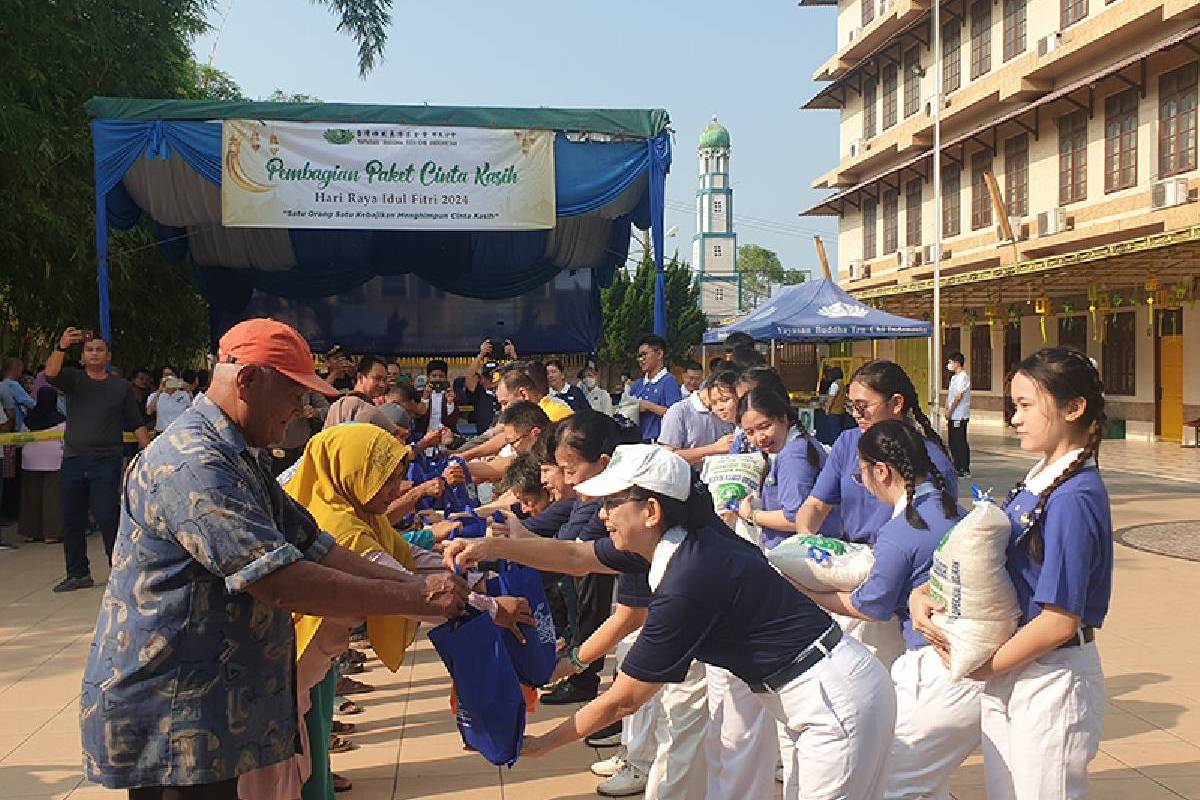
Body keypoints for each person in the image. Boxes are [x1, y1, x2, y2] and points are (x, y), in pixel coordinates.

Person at [79, 318, 470, 800]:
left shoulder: (239, 455)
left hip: (211, 707)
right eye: (292, 393)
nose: (301, 408)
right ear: (247, 381)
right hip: (172, 712)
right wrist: (411, 594)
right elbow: (278, 580)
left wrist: (414, 588)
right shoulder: (194, 463)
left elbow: (316, 545)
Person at [445, 445, 897, 800]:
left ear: (651, 511)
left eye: (613, 502)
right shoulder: (677, 538)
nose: (602, 514)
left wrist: (544, 744)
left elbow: (625, 699)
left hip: (831, 701)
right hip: (819, 692)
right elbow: (576, 556)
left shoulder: (689, 576)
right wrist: (493, 549)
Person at [241, 423, 530, 800]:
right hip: (286, 671)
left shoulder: (360, 513)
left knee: (298, 765)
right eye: (386, 480)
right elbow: (404, 589)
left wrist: (475, 578)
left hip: (305, 672)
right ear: (353, 473)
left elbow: (408, 559)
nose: (399, 491)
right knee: (275, 776)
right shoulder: (338, 527)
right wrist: (490, 606)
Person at [911, 347, 1112, 800]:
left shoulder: (1073, 498)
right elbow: (990, 560)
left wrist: (983, 667)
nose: (1014, 419)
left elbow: (1061, 618)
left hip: (1049, 677)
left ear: (1074, 407)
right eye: (1013, 406)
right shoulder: (1043, 478)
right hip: (1015, 668)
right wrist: (927, 590)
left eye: (1025, 406)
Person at [799, 419, 978, 800]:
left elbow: (870, 606)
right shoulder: (955, 512)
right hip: (969, 664)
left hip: (936, 671)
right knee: (926, 782)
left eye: (861, 475)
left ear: (881, 471)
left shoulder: (901, 532)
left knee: (895, 783)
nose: (862, 485)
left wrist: (806, 589)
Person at [794, 360, 957, 545]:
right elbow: (815, 504)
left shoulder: (934, 461)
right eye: (851, 406)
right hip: (852, 559)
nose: (855, 414)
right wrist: (807, 537)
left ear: (896, 403)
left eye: (862, 406)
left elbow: (942, 535)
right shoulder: (847, 443)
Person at [44, 329, 152, 590]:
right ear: (82, 356)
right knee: (71, 518)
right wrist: (61, 346)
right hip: (73, 459)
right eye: (89, 350)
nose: (94, 354)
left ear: (108, 356)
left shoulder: (120, 386)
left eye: (99, 349)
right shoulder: (74, 380)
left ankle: (121, 570)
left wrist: (150, 453)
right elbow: (50, 374)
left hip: (106, 460)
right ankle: (77, 573)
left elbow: (136, 421)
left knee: (107, 515)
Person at [656, 372, 737, 466]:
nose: (720, 407)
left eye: (724, 400)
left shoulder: (729, 412)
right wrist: (714, 448)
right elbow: (667, 457)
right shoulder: (678, 411)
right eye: (717, 400)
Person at [19, 387, 66, 545]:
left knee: (32, 498)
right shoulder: (60, 419)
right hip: (54, 461)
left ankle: (31, 532)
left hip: (29, 460)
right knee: (52, 499)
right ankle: (51, 534)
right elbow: (65, 441)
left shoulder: (29, 418)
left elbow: (20, 439)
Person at [629, 335, 682, 443]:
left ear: (659, 354)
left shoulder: (669, 381)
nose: (641, 359)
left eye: (644, 354)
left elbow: (677, 415)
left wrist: (650, 406)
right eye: (639, 356)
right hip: (637, 442)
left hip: (658, 443)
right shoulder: (637, 384)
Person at [415, 358, 459, 437]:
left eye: (441, 376)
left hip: (446, 437)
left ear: (446, 377)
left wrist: (450, 403)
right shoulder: (419, 395)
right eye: (434, 376)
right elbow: (419, 419)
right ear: (428, 377)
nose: (437, 379)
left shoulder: (452, 395)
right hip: (425, 436)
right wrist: (425, 398)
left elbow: (453, 422)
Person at [945, 351, 972, 477]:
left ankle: (964, 468)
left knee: (960, 441)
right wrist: (946, 409)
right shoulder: (954, 377)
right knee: (952, 442)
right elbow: (950, 395)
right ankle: (956, 465)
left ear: (957, 363)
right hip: (952, 414)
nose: (949, 365)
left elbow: (959, 396)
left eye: (951, 362)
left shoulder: (963, 377)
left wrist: (951, 410)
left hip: (960, 415)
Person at [145, 369, 193, 435]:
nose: (169, 378)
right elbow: (149, 412)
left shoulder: (184, 394)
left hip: (180, 432)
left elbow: (193, 411)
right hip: (162, 432)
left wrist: (188, 390)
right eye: (166, 375)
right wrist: (159, 390)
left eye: (172, 375)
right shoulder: (154, 395)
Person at [2, 357, 36, 431]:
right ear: (17, 370)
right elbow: (31, 404)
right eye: (21, 371)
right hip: (14, 426)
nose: (21, 374)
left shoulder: (2, 384)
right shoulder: (13, 385)